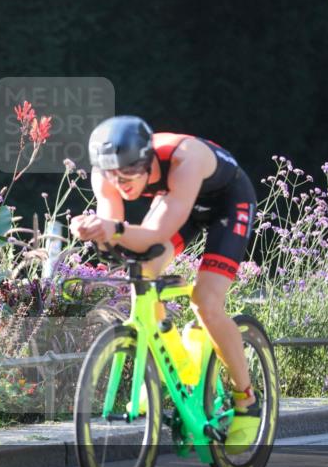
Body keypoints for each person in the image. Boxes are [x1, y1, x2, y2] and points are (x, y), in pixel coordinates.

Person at [69, 116, 259, 442]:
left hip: (228, 203)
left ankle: (247, 400)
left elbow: (154, 233)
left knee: (206, 302)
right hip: (177, 200)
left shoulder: (185, 157)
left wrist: (112, 229)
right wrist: (90, 230)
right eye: (113, 177)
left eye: (129, 175)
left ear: (148, 163)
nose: (121, 184)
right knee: (141, 275)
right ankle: (174, 365)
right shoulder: (108, 172)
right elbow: (116, 231)